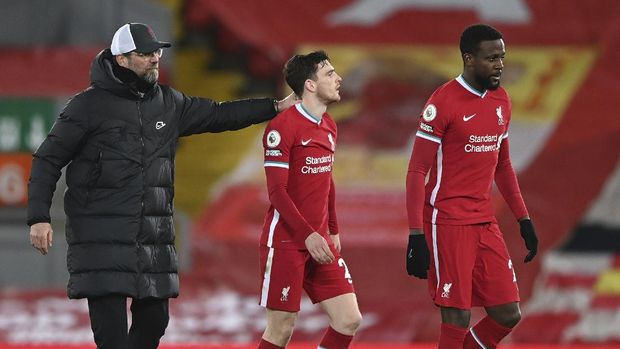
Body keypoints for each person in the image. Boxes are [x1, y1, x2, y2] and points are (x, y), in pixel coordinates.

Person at [27, 22, 296, 349]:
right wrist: (39, 216)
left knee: (155, 321)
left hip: (152, 238)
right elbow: (47, 158)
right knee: (111, 336)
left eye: (157, 51)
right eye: (145, 53)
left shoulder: (169, 103)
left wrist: (274, 107)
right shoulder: (87, 106)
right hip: (101, 237)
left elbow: (219, 115)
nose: (155, 58)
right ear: (122, 59)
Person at [405, 24, 539, 349]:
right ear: (469, 59)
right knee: (456, 316)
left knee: (508, 313)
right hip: (447, 221)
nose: (500, 65)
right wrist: (416, 235)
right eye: (491, 58)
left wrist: (524, 219)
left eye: (502, 57)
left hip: (484, 221)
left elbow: (503, 166)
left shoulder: (501, 101)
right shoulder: (443, 102)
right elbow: (416, 171)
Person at [257, 51, 362, 349]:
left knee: (348, 319)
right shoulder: (281, 128)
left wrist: (332, 228)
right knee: (281, 330)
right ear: (310, 85)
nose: (338, 78)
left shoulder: (329, 125)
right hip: (287, 242)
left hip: (319, 240)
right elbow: (277, 192)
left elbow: (327, 179)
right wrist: (308, 235)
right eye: (329, 73)